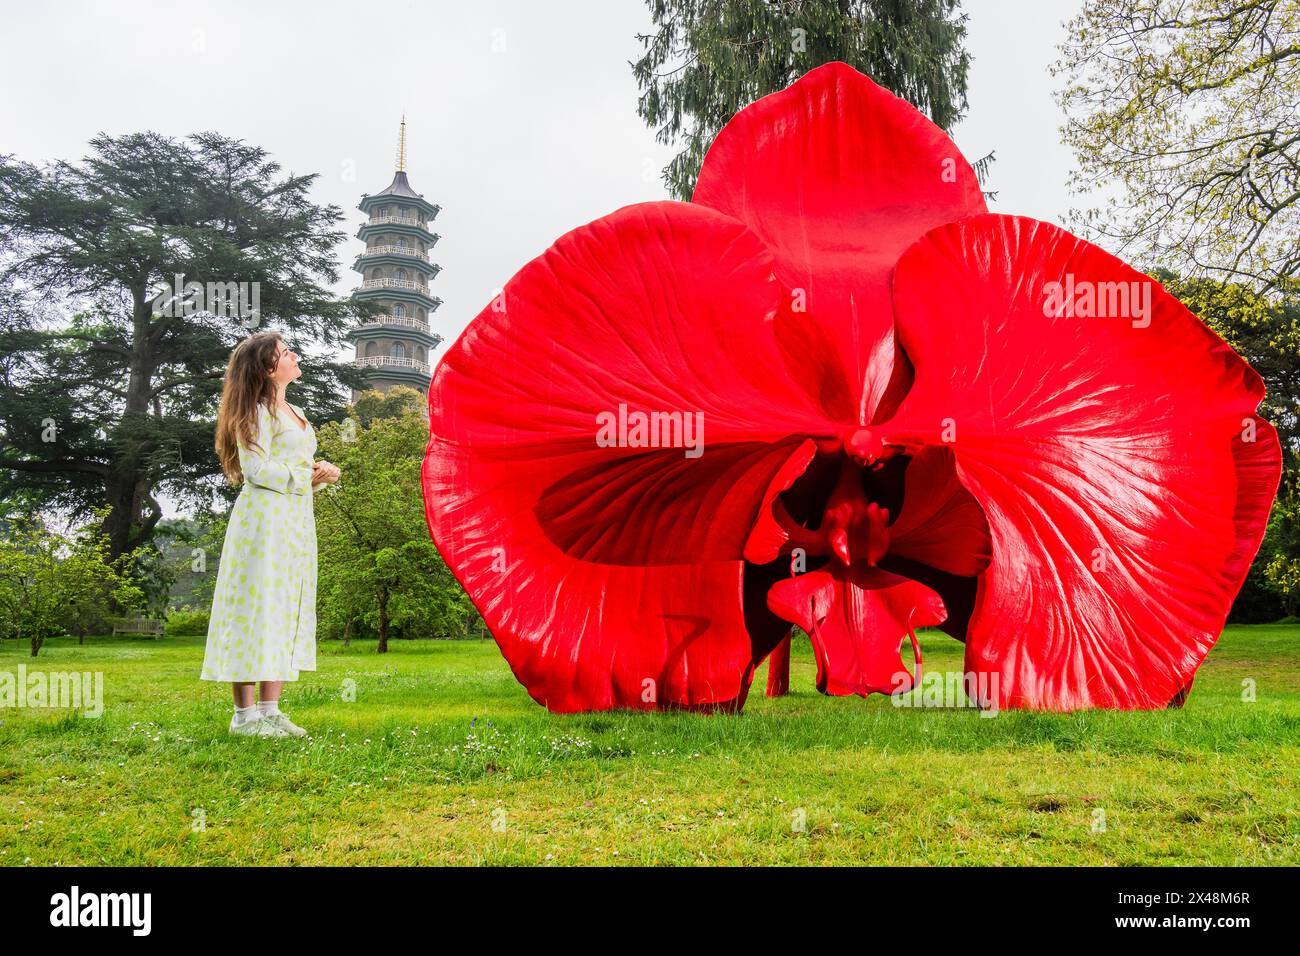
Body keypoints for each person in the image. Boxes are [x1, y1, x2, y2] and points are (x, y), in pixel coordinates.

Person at [200, 332, 340, 737]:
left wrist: (320, 473)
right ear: (267, 368)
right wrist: (304, 474)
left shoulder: (292, 409)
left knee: (283, 602)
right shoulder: (256, 411)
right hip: (262, 521)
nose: (294, 356)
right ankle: (243, 716)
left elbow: (294, 465)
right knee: (254, 603)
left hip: (294, 517)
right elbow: (256, 470)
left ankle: (270, 709)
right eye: (285, 353)